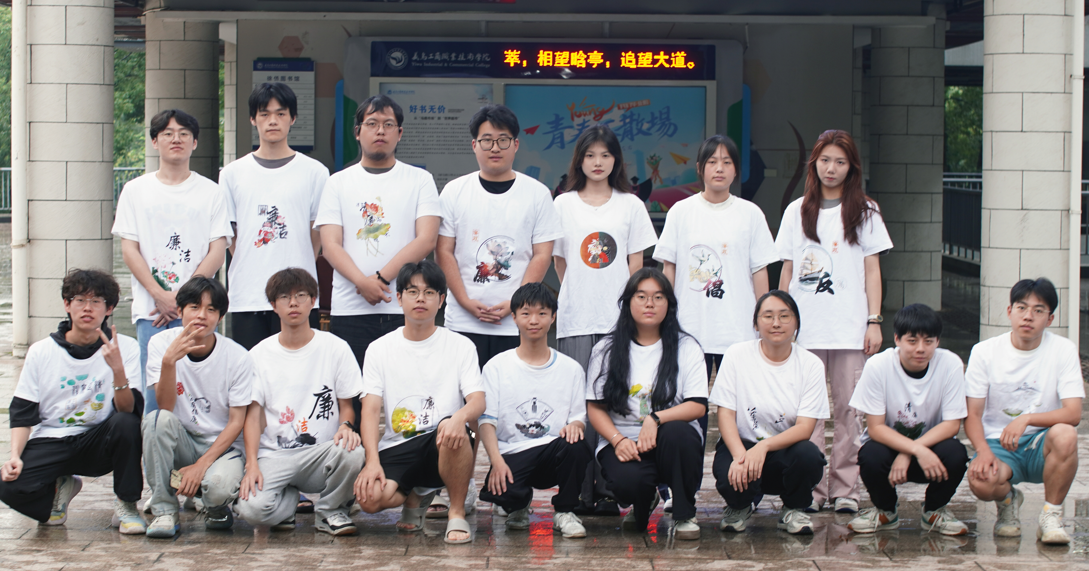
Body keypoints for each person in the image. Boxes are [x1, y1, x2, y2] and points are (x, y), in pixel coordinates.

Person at [435, 104, 562, 511]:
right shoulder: (455, 191)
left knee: (507, 408)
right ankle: (458, 485)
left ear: (516, 145)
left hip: (515, 323)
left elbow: (542, 254)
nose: (495, 147)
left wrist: (515, 304)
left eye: (503, 140)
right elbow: (444, 251)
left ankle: (510, 485)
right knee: (462, 407)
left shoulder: (536, 193)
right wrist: (464, 300)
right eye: (486, 140)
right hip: (464, 320)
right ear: (473, 145)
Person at [775, 129, 893, 513]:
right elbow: (787, 270)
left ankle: (845, 490)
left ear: (851, 167)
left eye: (840, 162)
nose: (831, 168)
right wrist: (780, 319)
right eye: (825, 160)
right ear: (814, 164)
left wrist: (874, 320)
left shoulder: (866, 211)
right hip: (805, 330)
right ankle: (809, 489)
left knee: (849, 412)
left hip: (850, 328)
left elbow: (872, 271)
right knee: (806, 413)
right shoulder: (796, 211)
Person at [316, 94, 440, 430]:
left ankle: (407, 460)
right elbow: (330, 244)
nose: (380, 131)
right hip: (351, 309)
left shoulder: (419, 180)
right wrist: (362, 282)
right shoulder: (338, 182)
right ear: (357, 132)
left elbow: (426, 239)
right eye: (371, 123)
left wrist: (381, 279)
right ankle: (358, 459)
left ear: (400, 133)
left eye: (388, 124)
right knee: (353, 397)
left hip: (406, 306)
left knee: (411, 395)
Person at [553, 125, 657, 515]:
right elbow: (560, 261)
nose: (598, 162)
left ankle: (611, 487)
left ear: (616, 160)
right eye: (590, 155)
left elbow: (636, 264)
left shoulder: (630, 205)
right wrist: (581, 291)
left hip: (618, 320)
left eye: (605, 155)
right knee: (579, 405)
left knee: (613, 402)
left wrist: (630, 311)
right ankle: (580, 492)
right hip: (577, 318)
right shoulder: (563, 204)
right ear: (579, 160)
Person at [0, 269, 145, 534]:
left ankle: (127, 504)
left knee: (126, 423)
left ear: (109, 308)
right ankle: (60, 488)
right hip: (52, 439)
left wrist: (117, 370)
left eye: (96, 301)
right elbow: (22, 412)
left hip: (98, 441)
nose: (87, 308)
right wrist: (14, 457)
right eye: (80, 300)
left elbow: (128, 410)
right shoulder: (41, 351)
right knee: (8, 486)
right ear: (67, 304)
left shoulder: (125, 347)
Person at [354, 260, 485, 544]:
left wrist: (458, 418)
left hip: (445, 439)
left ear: (441, 300)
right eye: (412, 292)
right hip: (399, 443)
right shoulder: (379, 349)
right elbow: (370, 410)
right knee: (370, 499)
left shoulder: (461, 345)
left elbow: (477, 400)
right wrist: (372, 462)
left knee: (462, 427)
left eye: (429, 292)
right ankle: (416, 495)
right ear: (399, 298)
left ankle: (456, 511)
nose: (421, 299)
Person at [112, 109, 231, 414]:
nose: (176, 139)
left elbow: (217, 250)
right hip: (153, 311)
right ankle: (155, 445)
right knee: (155, 389)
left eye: (184, 134)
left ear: (194, 142)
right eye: (167, 133)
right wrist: (159, 295)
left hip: (200, 309)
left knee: (203, 388)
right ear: (155, 141)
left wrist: (183, 300)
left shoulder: (211, 192)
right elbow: (129, 250)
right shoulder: (135, 191)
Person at [236, 268, 365, 536]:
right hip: (274, 455)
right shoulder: (258, 355)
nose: (293, 303)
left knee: (353, 450)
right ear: (274, 305)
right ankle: (288, 501)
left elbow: (347, 406)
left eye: (301, 295)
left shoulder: (335, 347)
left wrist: (345, 426)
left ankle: (330, 511)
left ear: (313, 301)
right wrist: (252, 464)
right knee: (253, 510)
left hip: (321, 455)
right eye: (285, 297)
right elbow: (252, 416)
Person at [586, 268, 708, 540]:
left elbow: (698, 405)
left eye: (658, 297)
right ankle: (643, 501)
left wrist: (656, 419)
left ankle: (685, 513)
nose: (650, 304)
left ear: (669, 304)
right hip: (625, 440)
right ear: (628, 302)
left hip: (669, 439)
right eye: (641, 296)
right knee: (628, 483)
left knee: (679, 433)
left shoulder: (686, 347)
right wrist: (617, 440)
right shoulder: (605, 349)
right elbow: (595, 407)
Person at [964, 278, 1083, 544]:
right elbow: (972, 415)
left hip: (1042, 443)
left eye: (1038, 310)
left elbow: (1073, 413)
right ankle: (1008, 501)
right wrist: (983, 451)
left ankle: (1051, 516)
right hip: (999, 444)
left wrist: (1027, 419)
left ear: (1050, 319)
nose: (1028, 316)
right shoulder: (984, 352)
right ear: (1010, 311)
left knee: (1066, 434)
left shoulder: (1063, 349)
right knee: (981, 480)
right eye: (1021, 308)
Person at [654, 134, 778, 381]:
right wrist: (665, 315)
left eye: (727, 162)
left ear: (736, 170)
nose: (719, 168)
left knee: (738, 398)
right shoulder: (681, 211)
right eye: (712, 162)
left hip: (737, 328)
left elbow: (759, 271)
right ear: (700, 168)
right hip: (689, 326)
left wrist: (763, 317)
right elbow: (669, 268)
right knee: (689, 397)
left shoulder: (751, 213)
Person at [141, 276, 253, 538]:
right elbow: (165, 407)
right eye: (194, 307)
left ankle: (212, 503)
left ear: (220, 317)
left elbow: (237, 422)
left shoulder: (238, 357)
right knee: (156, 420)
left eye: (211, 309)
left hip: (221, 447)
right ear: (179, 311)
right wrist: (169, 362)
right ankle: (164, 510)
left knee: (218, 488)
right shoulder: (161, 344)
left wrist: (201, 465)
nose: (202, 315)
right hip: (183, 441)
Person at [477, 283, 592, 538]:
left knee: (577, 445)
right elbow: (486, 422)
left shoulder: (571, 369)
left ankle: (564, 511)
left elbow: (577, 418)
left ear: (553, 317)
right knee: (504, 493)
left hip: (552, 452)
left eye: (542, 313)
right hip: (512, 453)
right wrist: (496, 462)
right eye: (526, 313)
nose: (534, 321)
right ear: (514, 317)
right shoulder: (496, 367)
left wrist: (576, 426)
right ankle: (517, 504)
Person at [220, 83, 329, 350]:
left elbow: (317, 232)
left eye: (281, 114)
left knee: (301, 366)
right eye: (265, 114)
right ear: (252, 119)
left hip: (299, 295)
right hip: (248, 293)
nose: (273, 121)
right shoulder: (232, 173)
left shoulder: (315, 172)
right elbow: (231, 235)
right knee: (251, 369)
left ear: (293, 118)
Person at [846, 304, 969, 536]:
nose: (920, 349)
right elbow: (875, 428)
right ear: (897, 339)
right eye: (912, 341)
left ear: (937, 341)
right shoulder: (878, 365)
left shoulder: (951, 364)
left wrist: (912, 451)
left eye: (928, 341)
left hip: (932, 452)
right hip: (889, 451)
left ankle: (934, 510)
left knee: (956, 453)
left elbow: (952, 425)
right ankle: (885, 511)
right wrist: (914, 450)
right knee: (870, 455)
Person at [712, 290, 828, 535]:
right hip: (741, 445)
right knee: (728, 473)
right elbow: (725, 414)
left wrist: (763, 447)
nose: (776, 323)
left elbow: (805, 428)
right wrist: (740, 456)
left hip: (783, 451)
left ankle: (793, 508)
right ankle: (739, 506)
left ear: (796, 323)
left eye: (784, 316)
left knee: (809, 456)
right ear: (756, 323)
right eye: (768, 316)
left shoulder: (811, 365)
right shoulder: (736, 355)